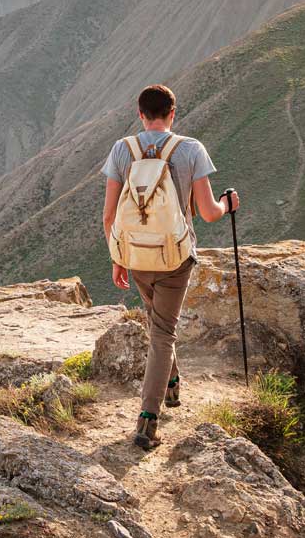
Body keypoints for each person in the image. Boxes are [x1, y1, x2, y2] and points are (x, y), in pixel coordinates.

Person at [101, 84, 240, 450]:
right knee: (162, 333)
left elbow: (109, 216)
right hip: (175, 259)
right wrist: (229, 204)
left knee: (158, 325)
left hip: (135, 257)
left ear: (140, 112)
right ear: (173, 113)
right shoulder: (190, 149)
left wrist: (118, 258)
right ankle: (148, 419)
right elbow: (209, 213)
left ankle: (172, 386)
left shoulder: (122, 150)